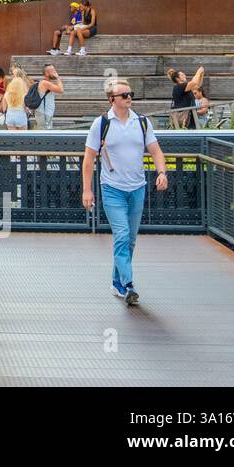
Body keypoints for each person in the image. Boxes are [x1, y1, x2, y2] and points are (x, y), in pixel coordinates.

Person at [82, 79, 169, 307]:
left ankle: (116, 282)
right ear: (112, 99)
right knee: (121, 235)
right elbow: (89, 159)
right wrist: (87, 190)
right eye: (124, 95)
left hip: (137, 188)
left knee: (129, 240)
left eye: (130, 94)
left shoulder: (141, 122)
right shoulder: (101, 124)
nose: (129, 98)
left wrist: (162, 173)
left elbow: (156, 151)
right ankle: (129, 284)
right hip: (112, 189)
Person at [35, 64, 64, 130]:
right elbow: (61, 90)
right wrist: (57, 78)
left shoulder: (46, 82)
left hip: (46, 113)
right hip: (44, 114)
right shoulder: (45, 83)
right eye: (53, 70)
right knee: (44, 136)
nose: (55, 72)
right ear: (47, 73)